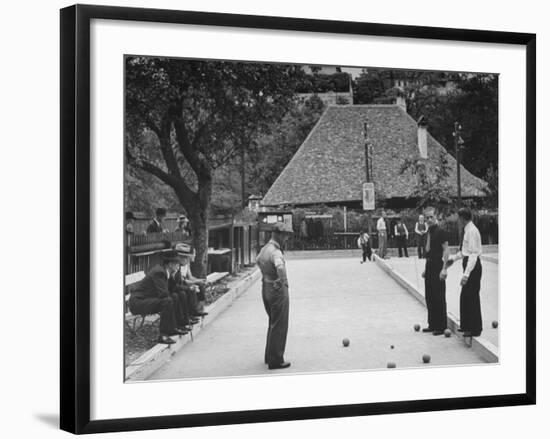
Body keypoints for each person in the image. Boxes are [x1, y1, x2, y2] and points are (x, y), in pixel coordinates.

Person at [128, 250, 190, 344]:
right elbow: (163, 293)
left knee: (175, 296)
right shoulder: (159, 272)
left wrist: (187, 287)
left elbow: (173, 288)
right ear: (170, 264)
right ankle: (163, 335)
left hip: (146, 300)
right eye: (177, 264)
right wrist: (172, 280)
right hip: (138, 303)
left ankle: (174, 328)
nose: (179, 266)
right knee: (168, 300)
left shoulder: (165, 272)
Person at [256, 222, 293, 370]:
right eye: (285, 235)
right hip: (277, 289)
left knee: (273, 322)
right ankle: (276, 359)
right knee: (279, 324)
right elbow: (280, 266)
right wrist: (283, 281)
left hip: (266, 286)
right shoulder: (276, 252)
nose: (287, 239)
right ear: (279, 235)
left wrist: (266, 275)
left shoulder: (265, 249)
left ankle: (269, 355)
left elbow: (258, 260)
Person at [447, 208, 483, 337]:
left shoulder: (472, 231)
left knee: (472, 296)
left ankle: (475, 328)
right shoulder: (467, 229)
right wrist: (453, 259)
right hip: (467, 263)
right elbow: (464, 252)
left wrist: (466, 275)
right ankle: (466, 325)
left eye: (459, 218)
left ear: (463, 218)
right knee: (465, 296)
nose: (458, 221)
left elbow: (473, 254)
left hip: (472, 266)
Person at [421, 207, 450, 336]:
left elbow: (446, 250)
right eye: (427, 217)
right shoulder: (429, 232)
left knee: (438, 296)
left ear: (436, 216)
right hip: (429, 265)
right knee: (430, 296)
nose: (429, 219)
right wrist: (425, 269)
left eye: (431, 217)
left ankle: (441, 325)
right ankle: (432, 324)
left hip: (438, 265)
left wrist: (444, 268)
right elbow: (429, 250)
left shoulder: (440, 231)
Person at [173, 243, 208, 318]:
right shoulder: (177, 266)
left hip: (183, 283)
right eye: (193, 254)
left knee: (200, 285)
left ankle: (198, 309)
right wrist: (195, 282)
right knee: (191, 290)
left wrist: (200, 280)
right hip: (180, 285)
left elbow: (190, 277)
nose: (195, 256)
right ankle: (191, 313)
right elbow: (183, 281)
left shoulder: (186, 264)